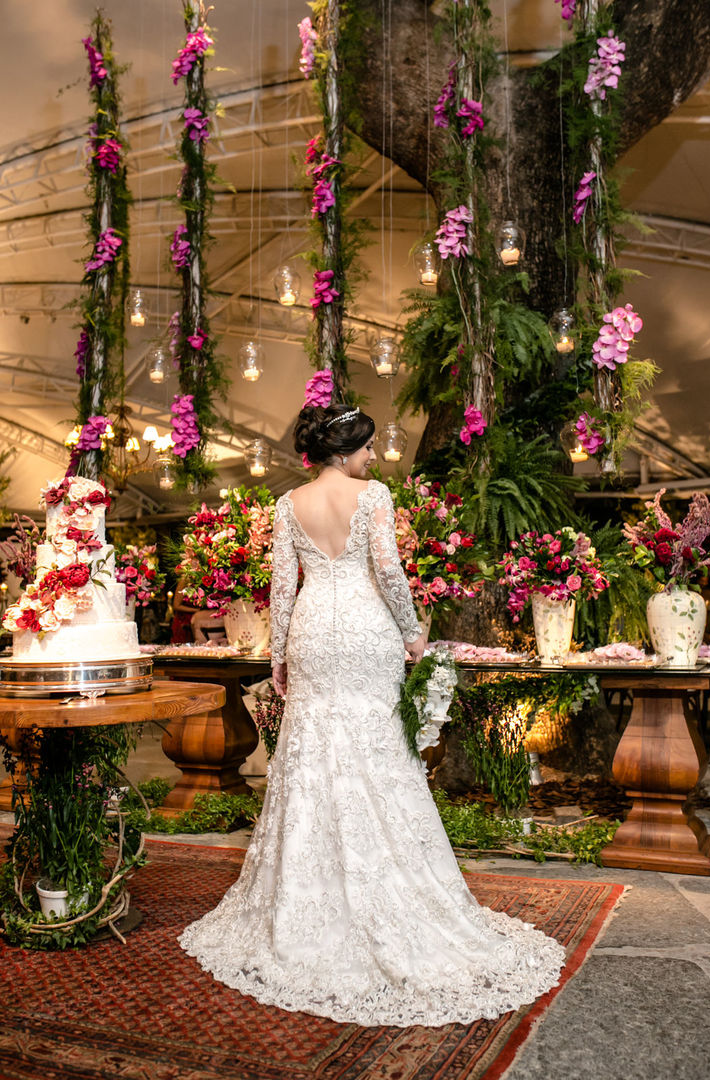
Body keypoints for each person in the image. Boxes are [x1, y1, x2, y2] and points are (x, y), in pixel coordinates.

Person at [179, 403, 564, 1026]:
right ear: (345, 450)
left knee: (309, 747)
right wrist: (413, 632)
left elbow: (282, 587)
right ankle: (385, 877)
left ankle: (307, 888)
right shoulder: (373, 496)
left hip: (311, 633)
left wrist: (278, 656)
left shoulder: (288, 504)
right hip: (365, 632)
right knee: (378, 745)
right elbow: (386, 568)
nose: (373, 457)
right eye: (367, 447)